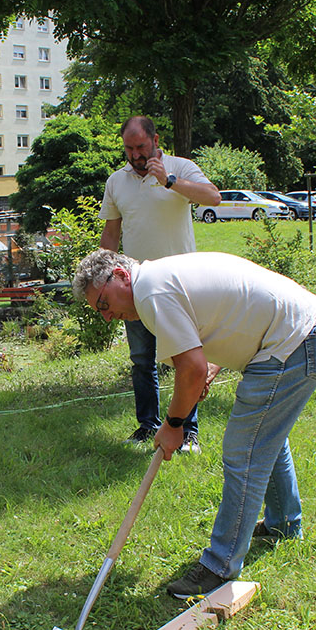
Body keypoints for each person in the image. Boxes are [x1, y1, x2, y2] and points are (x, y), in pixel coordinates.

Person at [73, 249, 316, 599]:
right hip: (304, 331)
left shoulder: (151, 292)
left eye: (104, 304)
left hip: (295, 341)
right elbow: (221, 321)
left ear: (120, 275)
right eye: (99, 312)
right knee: (265, 437)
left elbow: (191, 368)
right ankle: (284, 524)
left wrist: (173, 423)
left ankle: (220, 566)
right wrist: (210, 368)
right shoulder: (159, 277)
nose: (107, 317)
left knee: (244, 450)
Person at [99, 115, 221, 452]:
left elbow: (213, 197)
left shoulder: (180, 167)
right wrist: (101, 278)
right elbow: (111, 233)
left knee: (187, 359)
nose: (135, 155)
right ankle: (148, 425)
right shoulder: (116, 182)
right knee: (142, 360)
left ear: (155, 140)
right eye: (129, 148)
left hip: (181, 287)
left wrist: (169, 181)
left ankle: (188, 432)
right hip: (134, 289)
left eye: (140, 147)